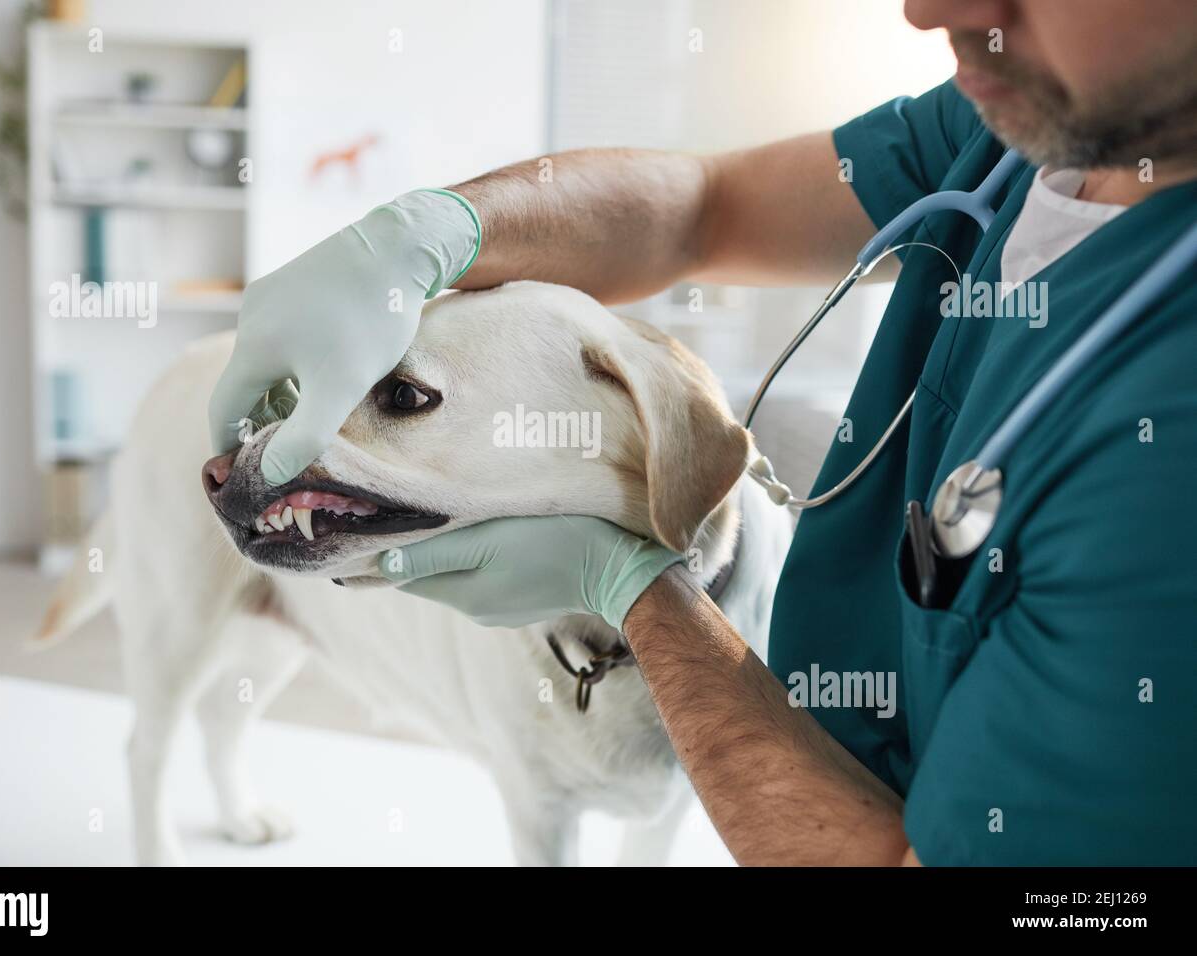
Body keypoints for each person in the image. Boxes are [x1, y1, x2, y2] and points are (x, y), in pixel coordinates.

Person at [208, 0, 1197, 865]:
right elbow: (703, 208)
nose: (926, 8)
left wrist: (637, 588)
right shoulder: (1027, 124)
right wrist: (432, 231)